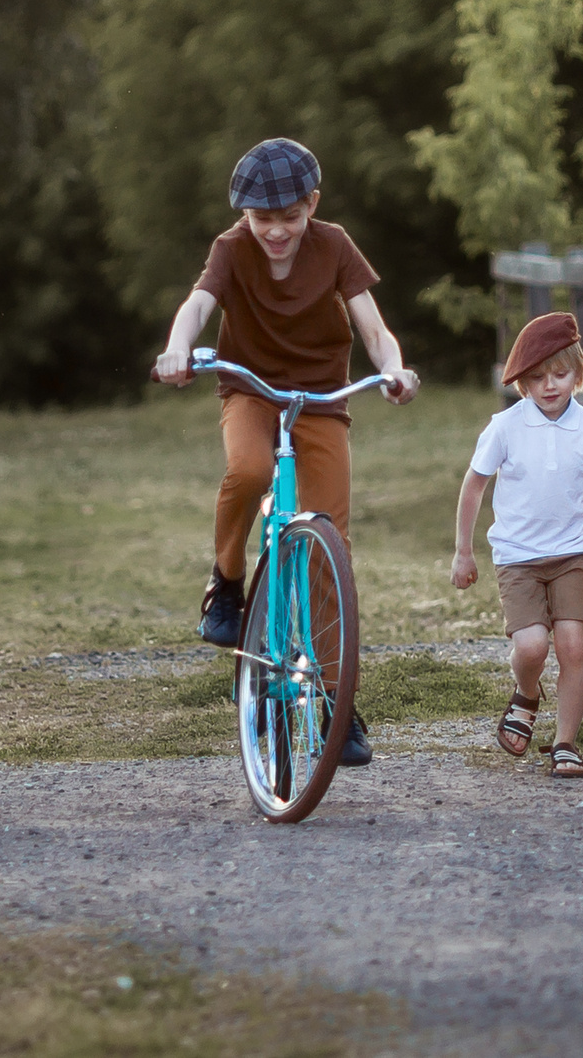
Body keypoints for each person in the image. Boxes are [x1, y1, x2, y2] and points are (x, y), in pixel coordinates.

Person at [151, 137, 418, 767]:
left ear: (313, 205)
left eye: (290, 217)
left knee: (330, 546)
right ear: (244, 215)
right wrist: (176, 348)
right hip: (251, 387)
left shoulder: (334, 245)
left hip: (323, 397)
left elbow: (373, 328)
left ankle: (335, 700)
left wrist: (395, 369)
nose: (276, 231)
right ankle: (227, 584)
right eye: (262, 218)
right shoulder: (230, 248)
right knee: (247, 471)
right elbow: (197, 306)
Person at [450, 311, 583, 780]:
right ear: (521, 381)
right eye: (537, 377)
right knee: (531, 647)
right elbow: (473, 486)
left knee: (573, 645)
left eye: (560, 374)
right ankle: (526, 693)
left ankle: (565, 742)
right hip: (518, 558)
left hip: (573, 554)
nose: (549, 385)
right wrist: (463, 551)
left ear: (579, 373)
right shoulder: (505, 426)